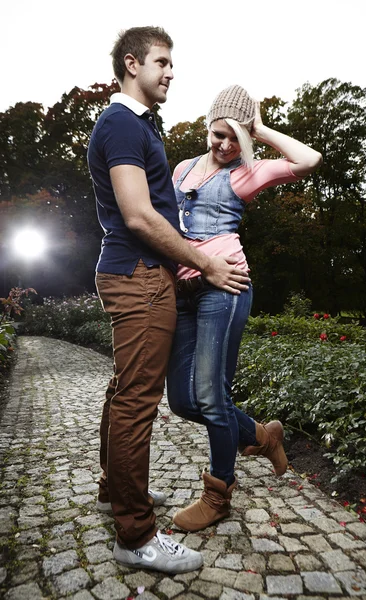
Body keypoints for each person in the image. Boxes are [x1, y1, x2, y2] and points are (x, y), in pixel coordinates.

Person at [87, 30, 250, 574]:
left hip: (135, 272)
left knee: (122, 391)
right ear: (132, 64)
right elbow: (138, 214)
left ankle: (116, 489)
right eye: (162, 62)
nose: (171, 72)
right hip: (139, 275)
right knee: (137, 401)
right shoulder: (121, 124)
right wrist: (204, 263)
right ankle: (135, 536)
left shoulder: (137, 125)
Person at [167, 84, 323, 532]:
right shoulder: (181, 168)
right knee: (181, 400)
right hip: (184, 292)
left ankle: (218, 494)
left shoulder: (246, 172)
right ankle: (261, 435)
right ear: (207, 126)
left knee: (213, 394)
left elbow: (308, 160)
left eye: (234, 138)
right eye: (218, 134)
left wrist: (260, 128)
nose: (223, 145)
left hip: (226, 288)